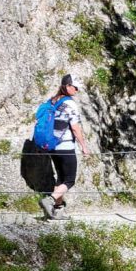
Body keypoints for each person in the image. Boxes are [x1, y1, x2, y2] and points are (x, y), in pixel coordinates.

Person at [39, 74, 90, 220]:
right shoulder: (70, 104)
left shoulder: (53, 101)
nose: (76, 90)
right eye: (75, 87)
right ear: (67, 86)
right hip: (66, 146)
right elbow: (75, 128)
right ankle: (49, 200)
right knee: (69, 180)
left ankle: (57, 211)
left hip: (53, 146)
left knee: (60, 179)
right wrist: (84, 147)